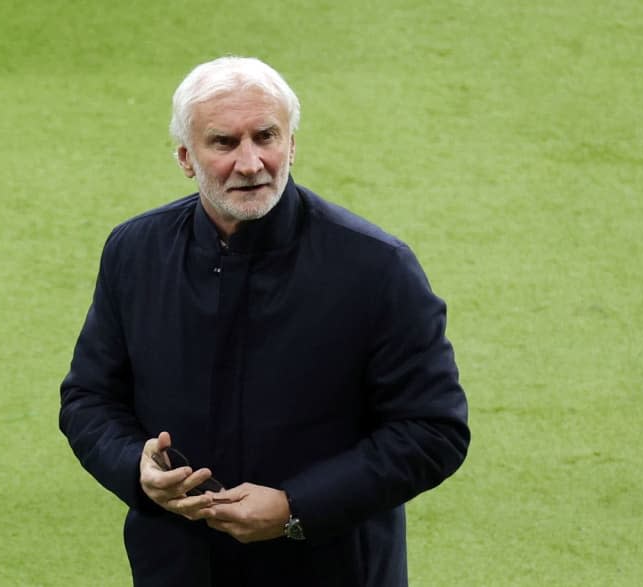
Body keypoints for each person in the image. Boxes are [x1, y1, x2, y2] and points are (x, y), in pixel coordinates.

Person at [59, 56, 470, 587]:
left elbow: (433, 430)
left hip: (333, 570)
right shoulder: (134, 252)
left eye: (266, 136)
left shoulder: (377, 268)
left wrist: (295, 508)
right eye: (224, 143)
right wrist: (135, 471)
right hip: (178, 569)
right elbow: (89, 398)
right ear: (186, 157)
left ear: (292, 144)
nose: (251, 163)